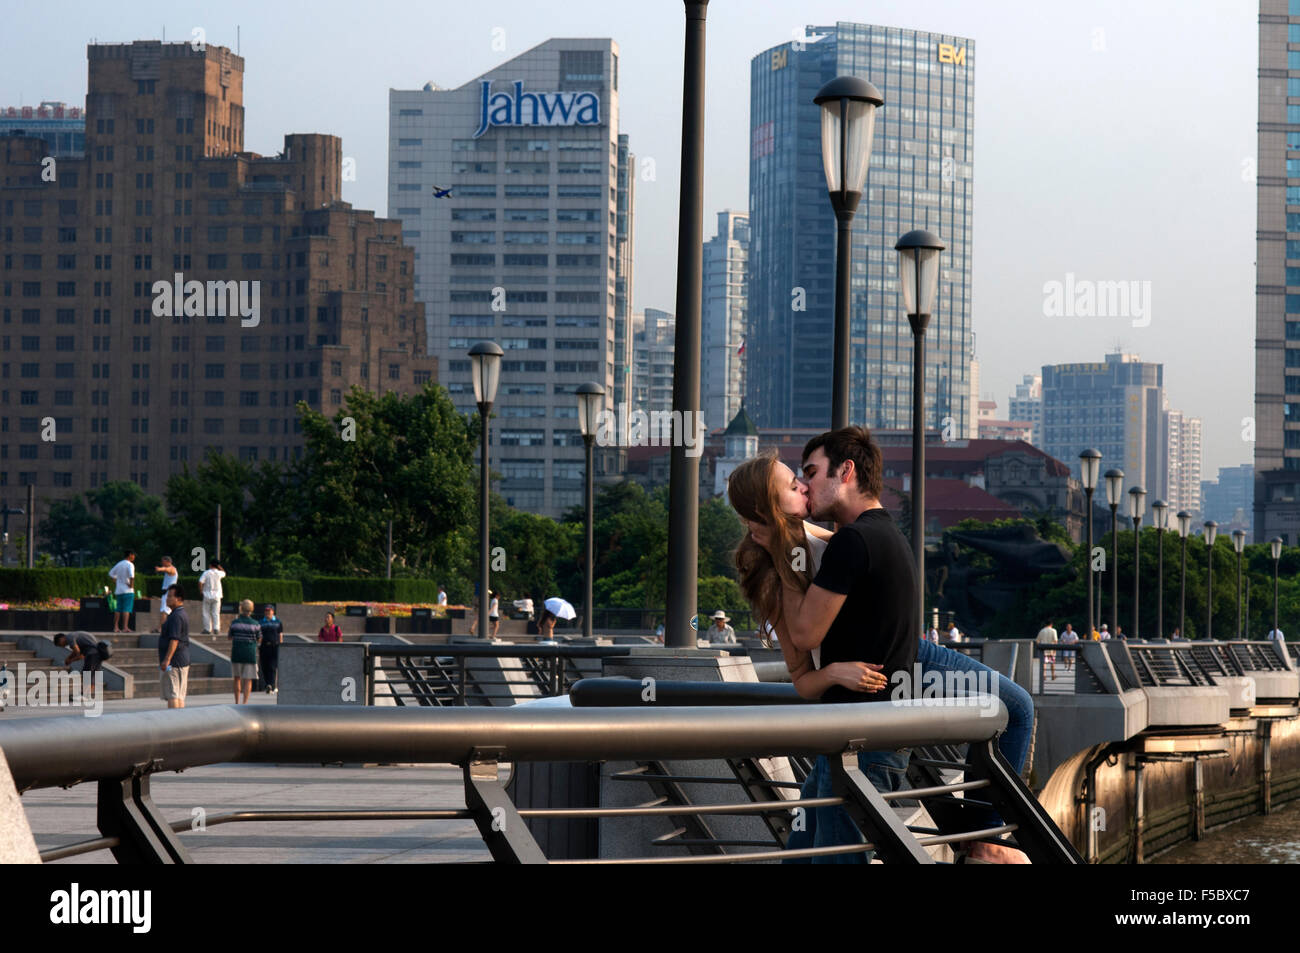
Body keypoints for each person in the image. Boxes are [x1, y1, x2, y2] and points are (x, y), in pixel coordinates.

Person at [730, 435, 1031, 864]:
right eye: (794, 482)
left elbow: (839, 557)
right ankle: (986, 842)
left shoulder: (833, 536)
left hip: (893, 674)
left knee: (1016, 707)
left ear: (846, 472)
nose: (803, 486)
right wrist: (834, 672)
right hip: (861, 711)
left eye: (807, 475)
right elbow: (804, 649)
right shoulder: (779, 574)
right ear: (768, 506)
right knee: (821, 850)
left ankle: (986, 841)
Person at [158, 584, 191, 709]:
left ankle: (174, 722)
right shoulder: (179, 614)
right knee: (179, 695)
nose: (167, 599)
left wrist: (167, 659)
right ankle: (181, 723)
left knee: (173, 694)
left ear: (178, 598)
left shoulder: (176, 616)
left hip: (174, 662)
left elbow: (174, 640)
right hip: (180, 660)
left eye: (170, 596)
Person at [227, 599, 261, 705]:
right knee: (248, 680)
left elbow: (229, 637)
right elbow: (259, 639)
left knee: (237, 679)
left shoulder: (235, 623)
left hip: (237, 653)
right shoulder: (255, 624)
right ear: (252, 609)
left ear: (241, 608)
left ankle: (237, 702)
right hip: (250, 654)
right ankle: (244, 703)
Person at [108, 549, 136, 634]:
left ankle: (116, 627)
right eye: (133, 555)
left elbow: (111, 573)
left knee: (118, 609)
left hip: (119, 590)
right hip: (128, 590)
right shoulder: (130, 564)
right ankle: (125, 627)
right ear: (130, 555)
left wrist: (116, 581)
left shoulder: (119, 564)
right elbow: (132, 576)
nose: (134, 557)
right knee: (126, 609)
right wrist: (131, 585)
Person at [259, 604, 283, 693]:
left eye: (269, 611)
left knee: (272, 666)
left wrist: (281, 645)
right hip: (264, 646)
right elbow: (259, 635)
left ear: (273, 611)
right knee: (264, 666)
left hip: (274, 646)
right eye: (266, 611)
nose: (267, 612)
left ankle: (272, 685)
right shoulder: (261, 622)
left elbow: (280, 635)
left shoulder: (277, 622)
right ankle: (267, 684)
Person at [198, 561, 226, 635]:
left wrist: (201, 591)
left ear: (210, 565)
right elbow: (224, 573)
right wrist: (219, 567)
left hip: (207, 594)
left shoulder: (206, 573)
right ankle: (216, 628)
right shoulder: (219, 573)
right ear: (217, 566)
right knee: (215, 613)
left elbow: (200, 582)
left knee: (206, 612)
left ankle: (207, 629)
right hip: (217, 595)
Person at [153, 556, 179, 634]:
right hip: (167, 593)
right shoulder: (170, 569)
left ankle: (161, 629)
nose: (162, 563)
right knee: (166, 611)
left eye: (163, 561)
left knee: (164, 611)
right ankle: (165, 628)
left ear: (168, 562)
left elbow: (166, 569)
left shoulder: (172, 569)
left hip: (169, 594)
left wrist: (160, 569)